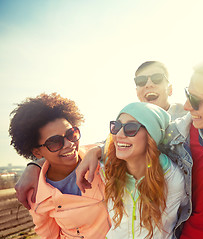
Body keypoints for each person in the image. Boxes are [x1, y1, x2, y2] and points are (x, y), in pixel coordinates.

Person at [76, 55, 203, 239]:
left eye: (196, 100)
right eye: (188, 94)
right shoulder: (176, 136)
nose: (187, 106)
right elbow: (136, 139)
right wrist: (96, 150)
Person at [14, 60, 188, 210]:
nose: (148, 84)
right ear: (137, 92)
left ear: (170, 89)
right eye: (141, 81)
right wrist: (35, 165)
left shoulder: (189, 119)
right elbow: (79, 148)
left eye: (157, 78)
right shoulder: (126, 128)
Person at [8, 93, 111, 239]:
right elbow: (50, 236)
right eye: (55, 142)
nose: (69, 144)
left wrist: (98, 151)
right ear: (37, 152)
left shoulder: (99, 156)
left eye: (71, 134)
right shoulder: (37, 194)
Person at [101, 102, 185, 239]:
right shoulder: (107, 172)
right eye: (116, 126)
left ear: (151, 136)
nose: (119, 134)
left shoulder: (173, 178)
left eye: (131, 128)